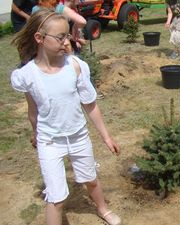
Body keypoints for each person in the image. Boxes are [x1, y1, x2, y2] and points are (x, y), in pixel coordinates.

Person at [10, 9, 121, 225]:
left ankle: (102, 209)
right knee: (56, 197)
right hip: (50, 141)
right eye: (60, 37)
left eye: (67, 35)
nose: (66, 42)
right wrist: (35, 132)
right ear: (40, 39)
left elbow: (90, 105)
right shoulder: (28, 76)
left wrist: (106, 137)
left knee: (90, 179)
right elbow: (32, 110)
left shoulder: (75, 67)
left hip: (78, 137)